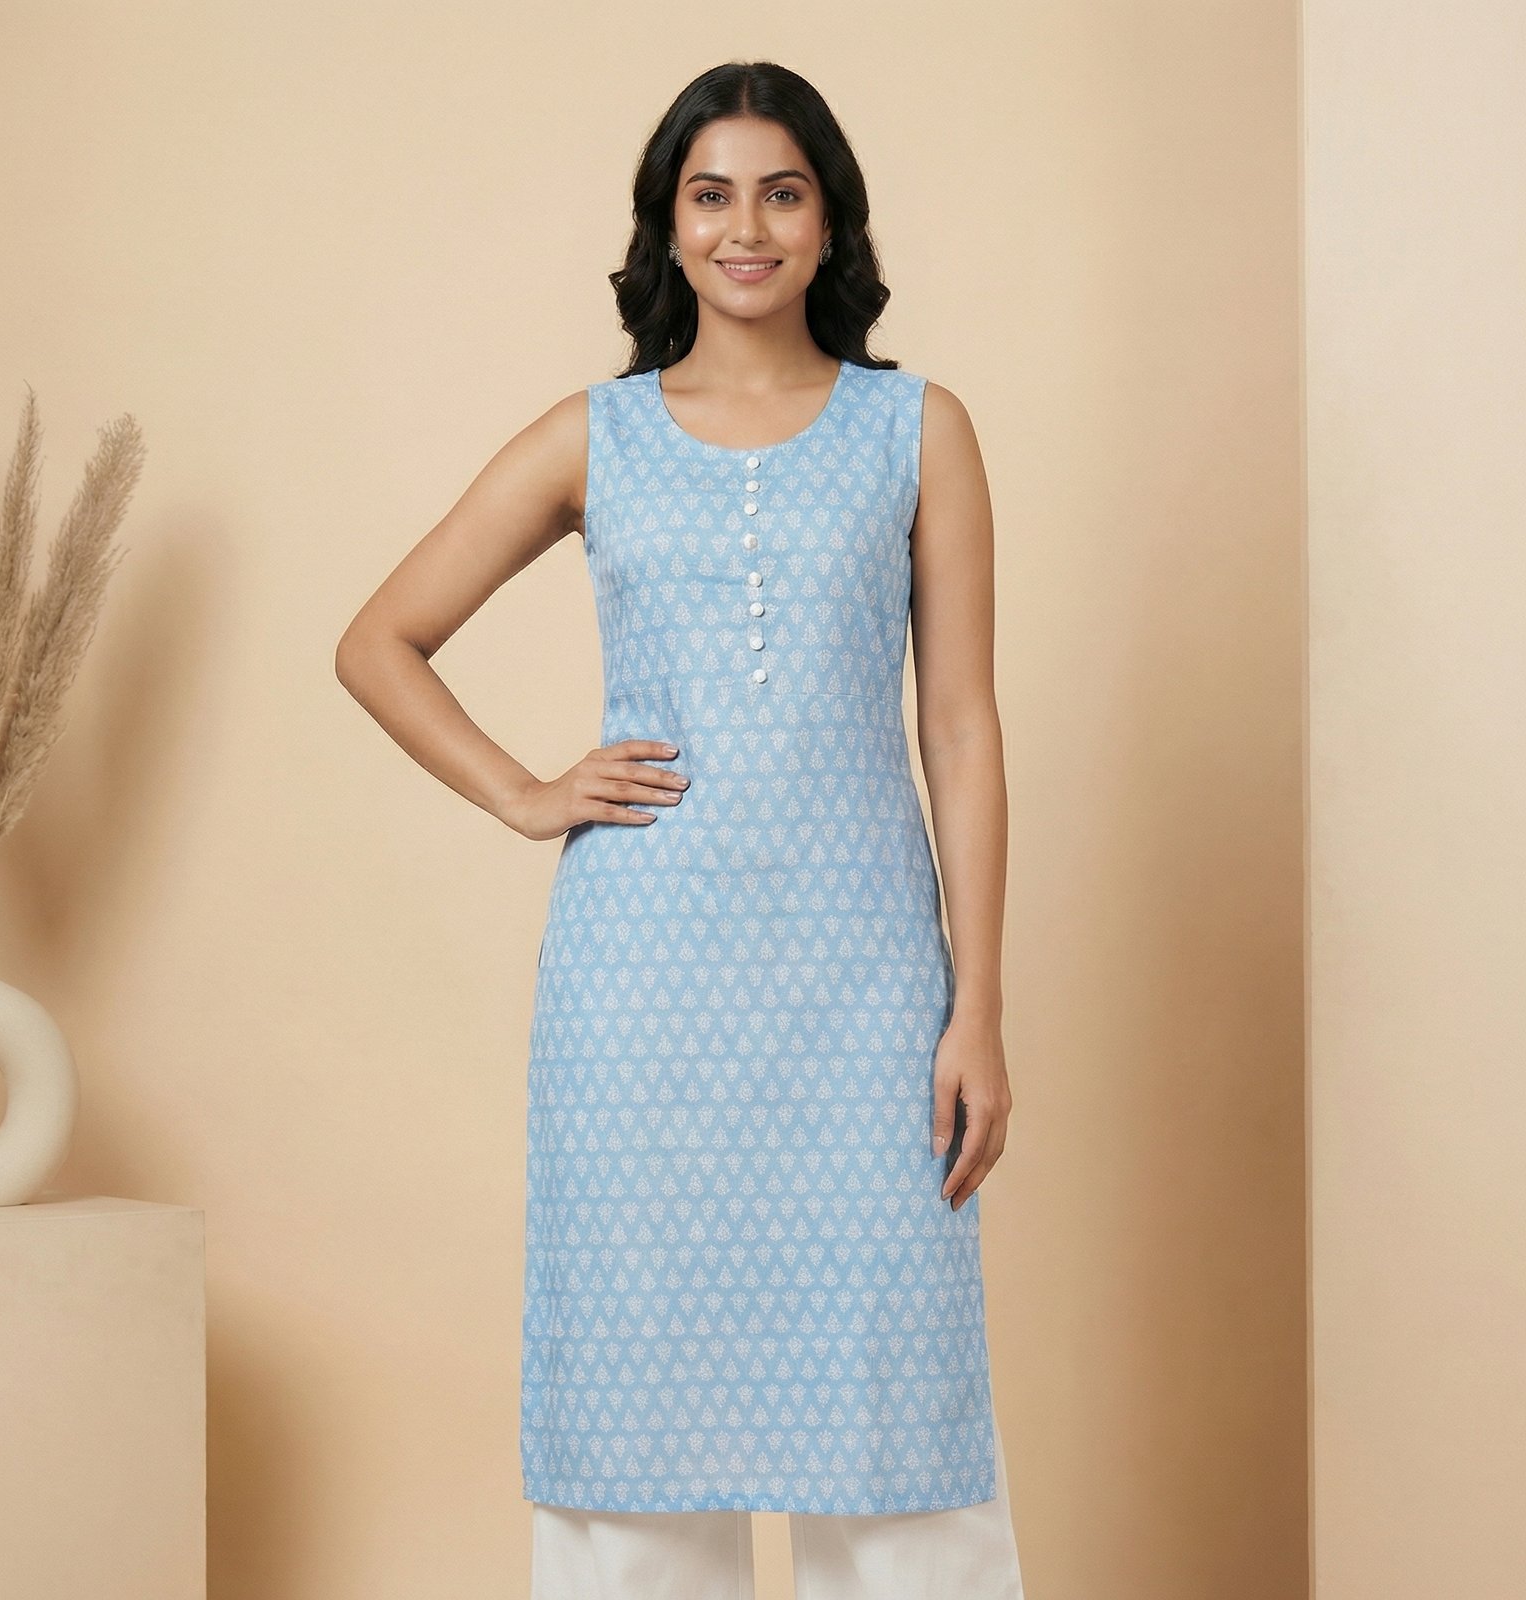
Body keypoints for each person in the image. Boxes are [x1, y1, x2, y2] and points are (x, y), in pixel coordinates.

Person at [336, 59, 1024, 1600]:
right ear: (666, 222)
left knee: (893, 1411)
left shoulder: (919, 429)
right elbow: (379, 640)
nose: (746, 228)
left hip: (865, 987)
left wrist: (977, 1006)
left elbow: (964, 730)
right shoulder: (598, 435)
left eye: (782, 192)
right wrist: (526, 792)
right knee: (637, 1414)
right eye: (711, 195)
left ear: (830, 217)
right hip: (641, 995)